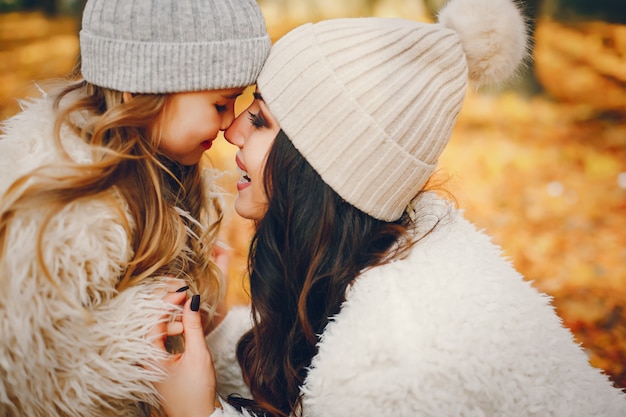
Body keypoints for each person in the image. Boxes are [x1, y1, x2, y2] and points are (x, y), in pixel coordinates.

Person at [155, 0, 626, 416]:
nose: (232, 131)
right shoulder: (386, 247)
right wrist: (214, 334)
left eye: (259, 120)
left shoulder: (395, 357)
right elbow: (311, 378)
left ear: (323, 166)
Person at [0, 0, 270, 416]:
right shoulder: (58, 222)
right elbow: (38, 381)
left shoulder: (175, 179)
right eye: (220, 103)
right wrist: (136, 352)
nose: (230, 124)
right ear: (143, 90)